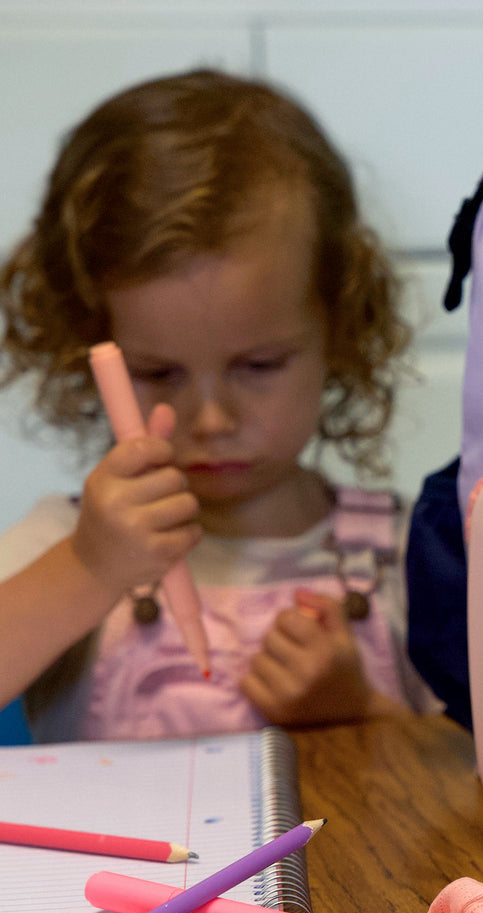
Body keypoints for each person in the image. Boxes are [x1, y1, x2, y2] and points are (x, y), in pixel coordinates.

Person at [0, 68, 440, 741]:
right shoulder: (69, 540)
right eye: (157, 372)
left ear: (340, 327)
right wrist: (89, 567)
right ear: (85, 346)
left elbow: (474, 776)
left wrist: (362, 709)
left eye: (258, 366)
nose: (210, 420)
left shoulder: (408, 554)